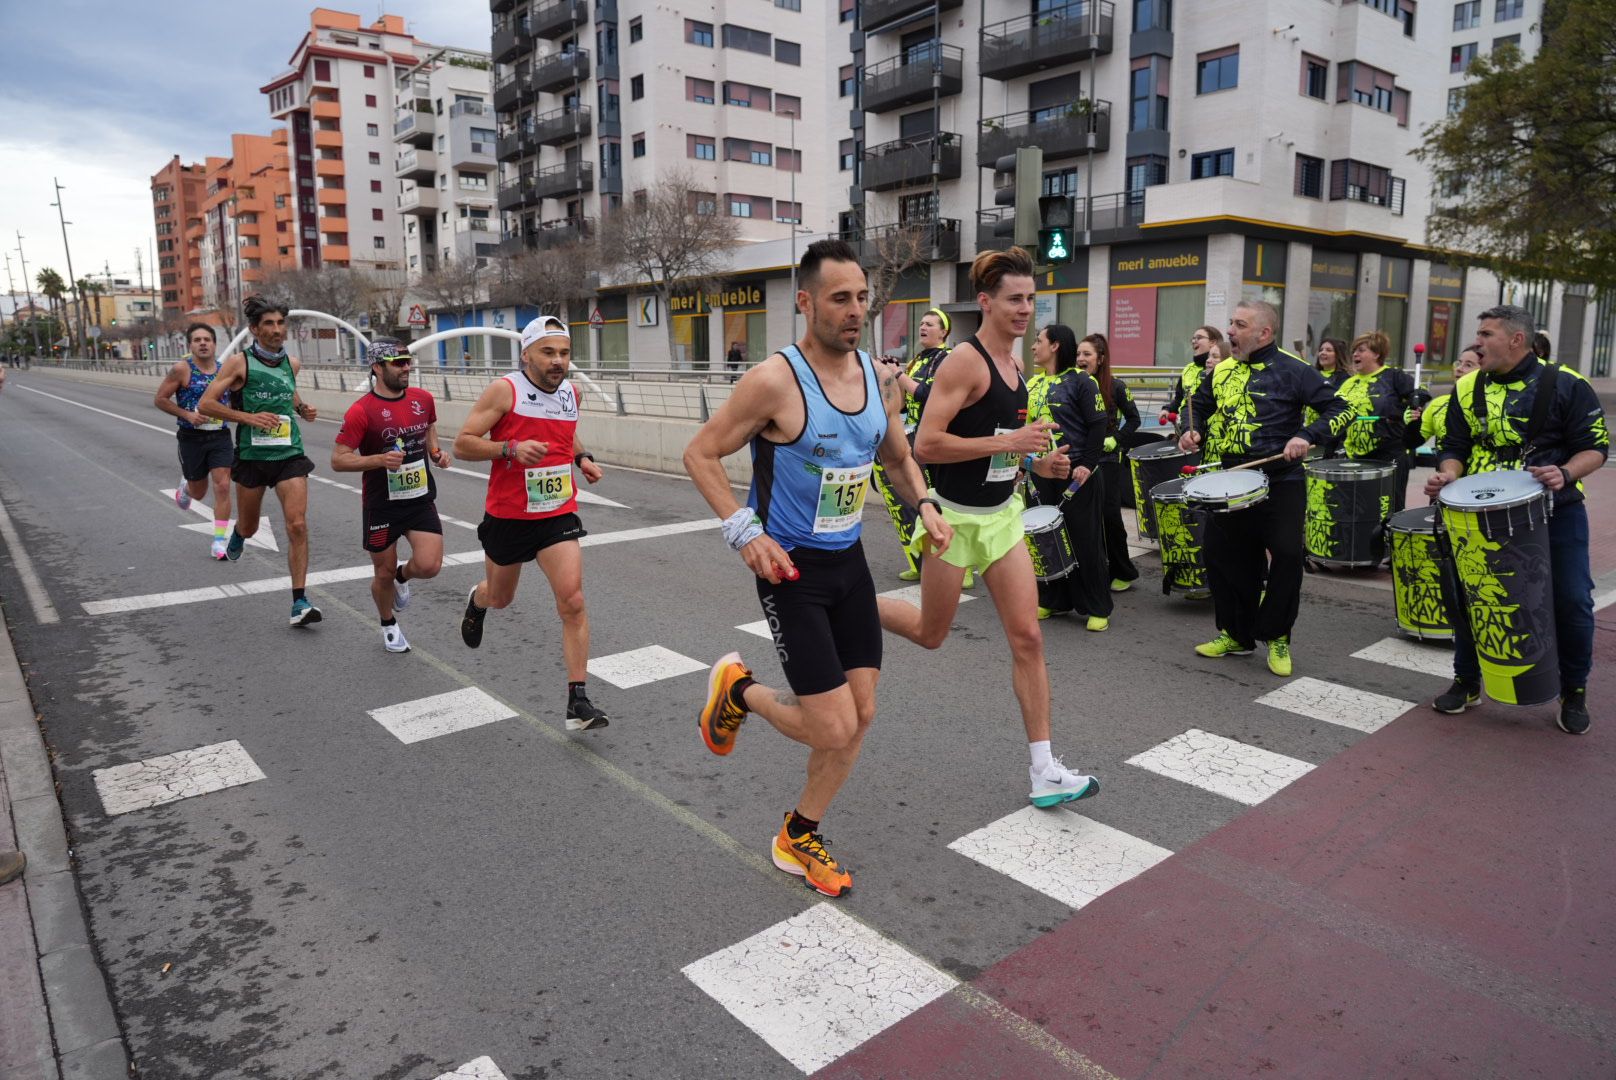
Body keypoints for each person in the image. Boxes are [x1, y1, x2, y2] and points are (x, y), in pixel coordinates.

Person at [683, 239, 952, 897]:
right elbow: (701, 453)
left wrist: (925, 502)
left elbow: (895, 456)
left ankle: (799, 833)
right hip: (790, 571)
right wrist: (744, 532)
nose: (855, 310)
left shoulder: (880, 377)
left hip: (850, 564)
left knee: (860, 714)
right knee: (830, 722)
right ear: (806, 303)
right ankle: (737, 690)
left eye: (862, 297)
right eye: (840, 298)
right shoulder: (775, 380)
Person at [880, 246, 1100, 808]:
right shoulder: (965, 361)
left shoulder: (1017, 363)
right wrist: (1010, 442)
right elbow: (925, 446)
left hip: (1002, 517)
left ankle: (1044, 769)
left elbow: (1000, 448)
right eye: (1014, 300)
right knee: (931, 633)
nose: (1026, 309)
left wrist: (1033, 463)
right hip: (953, 520)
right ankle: (850, 602)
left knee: (1027, 637)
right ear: (986, 302)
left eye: (1031, 299)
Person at [1425, 305, 1607, 735]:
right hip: (1475, 513)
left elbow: (1594, 448)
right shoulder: (1467, 388)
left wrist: (1564, 473)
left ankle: (1573, 689)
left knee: (1572, 599)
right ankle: (1467, 681)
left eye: (1486, 334)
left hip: (1553, 511)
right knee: (1471, 597)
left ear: (1516, 340)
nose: (1477, 343)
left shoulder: (1567, 384)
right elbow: (1454, 444)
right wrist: (1448, 475)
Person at [453, 314, 611, 732]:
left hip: (557, 512)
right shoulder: (505, 391)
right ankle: (478, 600)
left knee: (573, 601)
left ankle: (577, 701)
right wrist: (510, 448)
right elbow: (464, 443)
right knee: (501, 597)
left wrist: (582, 458)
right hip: (509, 516)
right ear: (526, 354)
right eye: (548, 352)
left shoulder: (571, 393)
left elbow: (565, 433)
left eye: (564, 353)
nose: (558, 361)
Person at [1180, 300, 1351, 675]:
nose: (1230, 332)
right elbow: (1198, 408)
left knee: (1287, 555)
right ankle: (1237, 635)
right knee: (1223, 557)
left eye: (1239, 325)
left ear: (1264, 333)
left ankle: (1276, 635)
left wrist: (1307, 435)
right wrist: (1189, 431)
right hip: (1231, 479)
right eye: (1230, 323)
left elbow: (1342, 409)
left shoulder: (1295, 370)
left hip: (1281, 478)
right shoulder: (1221, 371)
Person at [198, 296, 322, 627]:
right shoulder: (239, 363)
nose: (276, 329)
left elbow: (288, 391)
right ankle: (240, 532)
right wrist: (248, 418)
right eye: (269, 323)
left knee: (297, 524)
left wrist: (301, 408)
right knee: (251, 525)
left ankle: (300, 602)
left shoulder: (292, 364)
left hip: (289, 454)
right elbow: (206, 404)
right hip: (252, 457)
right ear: (254, 329)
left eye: (281, 323)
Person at [331, 339, 452, 653]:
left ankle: (403, 576)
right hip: (381, 504)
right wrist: (378, 460)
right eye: (398, 363)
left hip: (418, 498)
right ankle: (388, 623)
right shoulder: (361, 411)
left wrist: (436, 453)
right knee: (381, 572)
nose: (406, 367)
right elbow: (338, 459)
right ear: (377, 368)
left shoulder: (422, 399)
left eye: (407, 361)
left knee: (429, 565)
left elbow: (429, 428)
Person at [875, 307, 971, 586]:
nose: (924, 327)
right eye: (922, 323)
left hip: (935, 440)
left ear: (944, 332)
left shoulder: (948, 358)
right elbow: (904, 402)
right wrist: (890, 376)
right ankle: (919, 561)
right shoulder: (918, 360)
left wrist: (899, 374)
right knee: (908, 503)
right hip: (910, 436)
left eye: (931, 324)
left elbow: (930, 396)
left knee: (937, 504)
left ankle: (959, 567)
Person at [1028, 324, 1109, 628]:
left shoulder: (1082, 382)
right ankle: (1053, 600)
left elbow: (1098, 425)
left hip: (1077, 474)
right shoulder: (1032, 384)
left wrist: (1087, 464)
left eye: (1039, 341)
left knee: (1084, 540)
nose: (1034, 346)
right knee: (1045, 538)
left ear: (1056, 346)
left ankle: (1098, 607)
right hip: (1041, 472)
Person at [154, 323, 233, 559]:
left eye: (207, 339)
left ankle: (219, 541)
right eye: (197, 340)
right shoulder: (182, 369)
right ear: (190, 345)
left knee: (223, 485)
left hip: (220, 435)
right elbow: (160, 399)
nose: (203, 343)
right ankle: (186, 489)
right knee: (199, 492)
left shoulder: (225, 370)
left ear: (214, 344)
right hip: (191, 438)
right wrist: (188, 415)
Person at [1076, 333, 1140, 592]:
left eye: (1087, 354)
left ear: (1100, 359)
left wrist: (1116, 439)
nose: (1081, 359)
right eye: (1078, 354)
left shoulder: (1117, 386)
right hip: (1081, 458)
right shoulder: (1074, 385)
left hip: (1109, 460)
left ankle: (1123, 570)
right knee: (1083, 517)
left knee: (1110, 516)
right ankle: (1093, 569)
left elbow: (1134, 419)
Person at [1336, 329, 1419, 513]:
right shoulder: (1349, 384)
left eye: (1361, 350)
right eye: (1354, 350)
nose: (1355, 354)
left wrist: (1412, 408)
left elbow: (1418, 395)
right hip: (1355, 457)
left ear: (1376, 354)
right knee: (1359, 511)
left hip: (1389, 456)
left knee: (1388, 512)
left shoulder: (1393, 377)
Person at [1405, 346, 1481, 451]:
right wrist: (1413, 423)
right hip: (1446, 466)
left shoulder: (1490, 403)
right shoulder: (1439, 404)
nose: (1458, 369)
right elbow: (1411, 443)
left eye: (1468, 365)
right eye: (1458, 363)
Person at [1159, 325, 1226, 429]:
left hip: (1213, 432)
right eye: (1193, 338)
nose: (1194, 341)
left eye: (1199, 338)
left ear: (1212, 342)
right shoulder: (1188, 369)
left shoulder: (1223, 368)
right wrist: (1167, 409)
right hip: (1186, 429)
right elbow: (1180, 399)